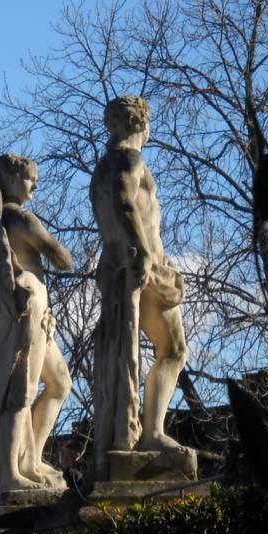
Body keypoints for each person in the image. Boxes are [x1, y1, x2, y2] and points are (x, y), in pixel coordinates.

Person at [89, 96, 191, 474]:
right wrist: (145, 252)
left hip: (120, 266)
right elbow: (125, 201)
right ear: (140, 125)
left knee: (137, 352)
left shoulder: (102, 166)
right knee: (175, 349)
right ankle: (152, 433)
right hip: (141, 266)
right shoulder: (129, 160)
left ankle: (140, 431)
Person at [0, 154, 74, 502]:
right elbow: (61, 258)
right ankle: (11, 474)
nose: (35, 185)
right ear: (11, 179)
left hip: (37, 312)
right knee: (20, 393)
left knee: (60, 383)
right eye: (30, 178)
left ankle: (30, 460)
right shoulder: (18, 218)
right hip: (28, 312)